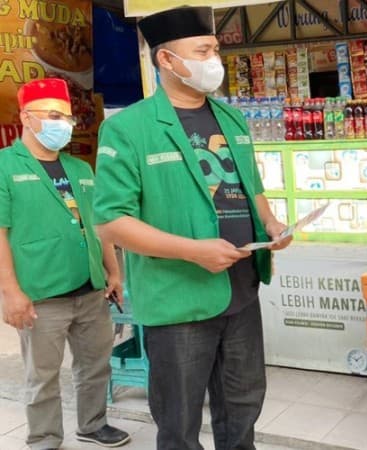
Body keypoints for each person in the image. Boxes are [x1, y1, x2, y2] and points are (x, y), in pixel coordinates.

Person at [92, 6, 290, 450]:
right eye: (202, 51)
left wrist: (272, 223)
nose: (213, 60)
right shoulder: (128, 129)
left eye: (215, 50)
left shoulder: (232, 119)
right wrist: (192, 250)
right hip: (178, 300)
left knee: (242, 406)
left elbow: (252, 188)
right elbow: (111, 222)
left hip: (241, 292)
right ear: (166, 59)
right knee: (179, 421)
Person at [0, 78, 130, 449]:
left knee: (95, 364)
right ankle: (44, 438)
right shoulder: (5, 166)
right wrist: (11, 292)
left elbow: (99, 226)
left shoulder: (81, 169)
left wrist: (114, 271)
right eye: (54, 116)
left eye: (67, 117)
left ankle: (92, 424)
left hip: (90, 288)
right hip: (40, 292)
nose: (64, 124)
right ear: (26, 117)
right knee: (42, 375)